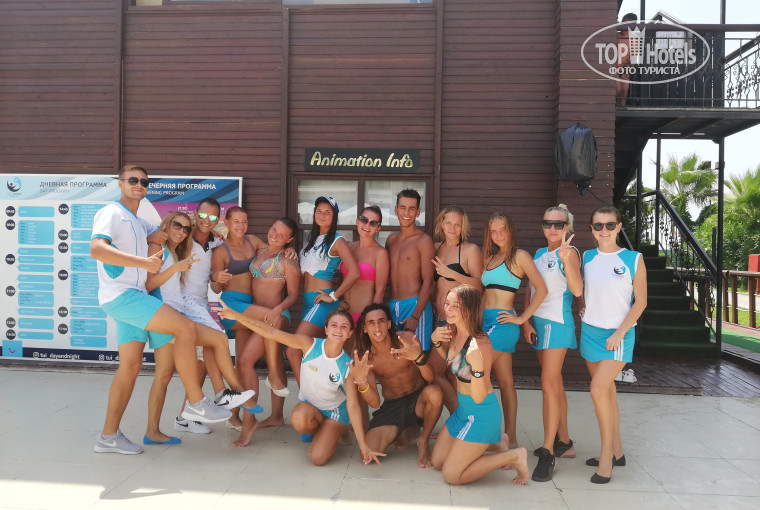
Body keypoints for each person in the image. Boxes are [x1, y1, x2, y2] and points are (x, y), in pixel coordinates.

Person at [91, 165, 233, 455]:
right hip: (123, 295)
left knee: (130, 368)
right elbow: (96, 249)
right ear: (120, 183)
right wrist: (143, 263)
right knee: (185, 327)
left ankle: (108, 437)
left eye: (144, 181)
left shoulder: (139, 222)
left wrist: (211, 234)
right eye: (133, 180)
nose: (139, 184)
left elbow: (165, 233)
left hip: (134, 297)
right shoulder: (112, 212)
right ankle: (196, 402)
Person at [143, 212, 257, 446]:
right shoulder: (158, 247)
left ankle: (152, 431)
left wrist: (213, 232)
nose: (182, 231)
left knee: (164, 376)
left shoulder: (176, 249)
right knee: (217, 339)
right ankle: (227, 393)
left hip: (174, 315)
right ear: (166, 225)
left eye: (186, 229)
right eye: (177, 226)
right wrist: (175, 268)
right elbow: (149, 283)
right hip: (164, 316)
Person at [216, 304, 369, 466]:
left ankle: (339, 429)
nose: (338, 330)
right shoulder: (309, 344)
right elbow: (271, 332)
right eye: (334, 325)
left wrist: (363, 445)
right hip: (310, 408)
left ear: (350, 333)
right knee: (298, 418)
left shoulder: (348, 364)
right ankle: (325, 432)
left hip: (335, 412)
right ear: (326, 329)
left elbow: (352, 405)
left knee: (317, 459)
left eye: (344, 327)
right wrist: (237, 316)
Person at [429, 284, 529, 485]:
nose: (447, 309)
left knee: (452, 475)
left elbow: (479, 395)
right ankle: (497, 444)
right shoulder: (453, 332)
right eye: (447, 304)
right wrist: (436, 342)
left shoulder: (480, 343)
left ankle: (513, 456)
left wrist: (477, 369)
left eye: (454, 306)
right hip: (463, 411)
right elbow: (453, 362)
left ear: (468, 309)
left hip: (481, 415)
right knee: (437, 461)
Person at [581, 206, 647, 484]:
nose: (604, 230)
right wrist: (583, 305)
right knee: (607, 393)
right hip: (590, 332)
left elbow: (641, 302)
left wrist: (620, 333)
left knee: (597, 390)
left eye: (610, 225)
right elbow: (584, 290)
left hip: (618, 336)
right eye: (598, 225)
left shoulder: (633, 258)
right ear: (592, 229)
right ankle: (617, 451)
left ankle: (606, 456)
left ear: (619, 227)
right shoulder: (586, 257)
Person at [521, 205, 583, 482]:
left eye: (559, 224)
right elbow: (530, 287)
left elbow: (577, 290)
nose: (553, 228)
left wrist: (567, 260)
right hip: (538, 323)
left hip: (557, 324)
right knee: (554, 384)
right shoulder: (538, 253)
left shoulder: (570, 252)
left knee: (548, 385)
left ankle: (548, 452)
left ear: (567, 227)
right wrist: (526, 321)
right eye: (548, 223)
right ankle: (564, 442)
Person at [480, 212, 547, 447]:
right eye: (493, 231)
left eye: (503, 230)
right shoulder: (489, 258)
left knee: (476, 373)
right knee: (505, 382)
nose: (498, 235)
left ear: (510, 230)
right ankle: (511, 438)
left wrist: (522, 319)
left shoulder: (520, 256)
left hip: (503, 323)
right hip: (485, 323)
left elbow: (542, 289)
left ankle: (488, 434)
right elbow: (485, 295)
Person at [233, 217, 301, 447]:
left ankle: (248, 424)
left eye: (282, 235)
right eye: (273, 230)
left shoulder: (288, 260)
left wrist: (277, 310)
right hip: (258, 317)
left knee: (244, 361)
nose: (275, 236)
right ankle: (276, 416)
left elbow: (293, 294)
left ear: (290, 239)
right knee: (272, 362)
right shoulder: (260, 249)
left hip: (276, 317)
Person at [349, 303, 442, 468]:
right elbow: (375, 403)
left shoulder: (407, 339)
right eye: (371, 323)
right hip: (393, 405)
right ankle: (404, 431)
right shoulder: (366, 357)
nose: (377, 327)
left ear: (389, 324)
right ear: (365, 328)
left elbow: (430, 377)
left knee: (434, 392)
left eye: (381, 321)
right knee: (367, 455)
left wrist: (419, 358)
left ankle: (423, 440)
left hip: (419, 399)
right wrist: (362, 381)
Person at [288, 196, 359, 384]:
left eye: (327, 212)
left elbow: (354, 273)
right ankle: (323, 394)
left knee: (293, 350)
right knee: (313, 353)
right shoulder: (311, 240)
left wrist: (334, 296)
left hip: (322, 302)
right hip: (308, 302)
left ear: (334, 216)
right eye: (319, 211)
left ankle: (305, 394)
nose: (322, 215)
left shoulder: (337, 241)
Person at [175, 197, 231, 435]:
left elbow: (214, 285)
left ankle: (184, 417)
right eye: (203, 215)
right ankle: (222, 393)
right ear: (195, 214)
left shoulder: (217, 242)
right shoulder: (183, 237)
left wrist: (217, 280)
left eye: (212, 217)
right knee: (217, 338)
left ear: (218, 219)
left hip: (202, 302)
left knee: (199, 364)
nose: (207, 220)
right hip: (183, 301)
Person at [430, 205, 483, 413]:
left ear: (463, 227)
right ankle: (461, 417)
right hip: (437, 319)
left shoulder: (470, 250)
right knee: (451, 374)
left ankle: (460, 418)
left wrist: (451, 274)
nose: (452, 228)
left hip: (456, 322)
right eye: (448, 223)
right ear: (441, 224)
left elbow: (479, 285)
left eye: (457, 224)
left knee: (435, 373)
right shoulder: (436, 248)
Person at [386, 189, 435, 352]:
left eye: (411, 208)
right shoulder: (391, 240)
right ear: (396, 210)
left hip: (415, 305)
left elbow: (429, 281)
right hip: (393, 305)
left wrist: (415, 316)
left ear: (418, 212)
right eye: (402, 208)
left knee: (418, 355)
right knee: (396, 355)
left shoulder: (424, 241)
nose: (406, 213)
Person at [339, 205, 389, 350]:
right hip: (343, 314)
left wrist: (370, 321)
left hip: (362, 316)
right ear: (357, 221)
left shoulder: (380, 253)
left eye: (373, 223)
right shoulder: (348, 247)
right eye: (364, 220)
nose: (367, 225)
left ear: (378, 228)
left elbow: (380, 292)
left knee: (357, 357)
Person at [616, 13, 638, 106]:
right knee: (617, 90)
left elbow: (634, 56)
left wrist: (628, 65)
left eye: (626, 24)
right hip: (614, 69)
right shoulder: (616, 36)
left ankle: (621, 110)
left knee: (624, 92)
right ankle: (613, 110)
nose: (623, 26)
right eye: (622, 23)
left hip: (625, 69)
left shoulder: (634, 39)